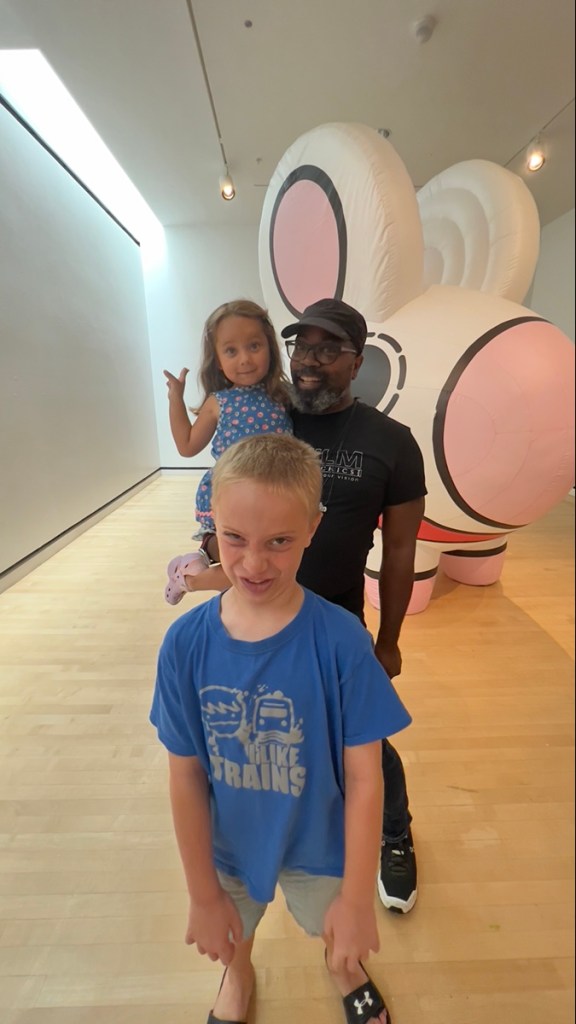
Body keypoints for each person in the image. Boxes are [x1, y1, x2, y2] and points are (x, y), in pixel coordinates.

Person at [173, 298, 427, 916]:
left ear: (357, 361)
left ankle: (393, 833)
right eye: (301, 346)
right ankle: (284, 843)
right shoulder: (266, 419)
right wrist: (204, 559)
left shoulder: (391, 443)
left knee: (365, 742)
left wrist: (389, 639)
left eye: (327, 349)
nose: (309, 361)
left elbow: (400, 551)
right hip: (257, 620)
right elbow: (227, 507)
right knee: (271, 735)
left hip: (338, 622)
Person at [150, 433, 411, 1024]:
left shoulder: (342, 642)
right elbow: (185, 776)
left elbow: (365, 778)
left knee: (337, 929)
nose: (253, 563)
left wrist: (355, 899)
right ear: (210, 523)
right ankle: (237, 973)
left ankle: (343, 966)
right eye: (234, 538)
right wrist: (202, 894)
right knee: (234, 931)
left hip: (321, 843)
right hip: (228, 846)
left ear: (313, 527)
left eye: (279, 541)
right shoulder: (184, 646)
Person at [162, 299, 292, 604]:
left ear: (270, 348)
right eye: (231, 351)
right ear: (218, 361)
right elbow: (187, 445)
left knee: (270, 564)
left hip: (274, 494)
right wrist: (175, 399)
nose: (245, 359)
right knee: (248, 565)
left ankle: (195, 566)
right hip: (232, 495)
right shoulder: (218, 402)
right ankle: (190, 578)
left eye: (254, 346)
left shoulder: (285, 396)